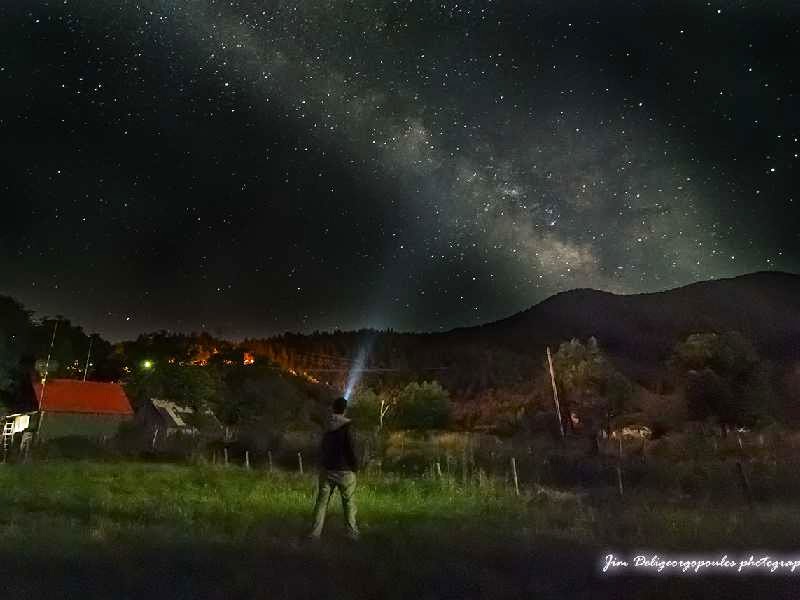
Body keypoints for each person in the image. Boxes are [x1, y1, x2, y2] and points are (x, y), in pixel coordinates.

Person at [307, 396, 359, 539]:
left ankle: (314, 534)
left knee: (321, 503)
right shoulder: (347, 427)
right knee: (348, 504)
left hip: (327, 470)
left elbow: (322, 448)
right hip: (345, 472)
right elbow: (350, 449)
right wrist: (355, 466)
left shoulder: (326, 426)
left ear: (333, 408)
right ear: (345, 409)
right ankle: (352, 534)